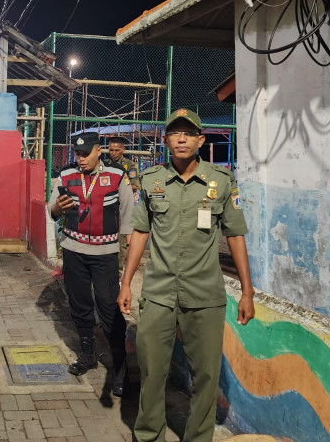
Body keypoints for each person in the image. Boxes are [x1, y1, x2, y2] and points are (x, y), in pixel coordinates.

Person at [118, 108, 255, 442]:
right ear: (165, 140)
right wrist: (125, 282)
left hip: (205, 294)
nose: (181, 138)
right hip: (159, 292)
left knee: (206, 375)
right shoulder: (150, 181)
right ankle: (149, 434)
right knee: (151, 370)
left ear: (200, 140)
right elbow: (139, 232)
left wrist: (248, 292)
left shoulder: (220, 183)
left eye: (189, 133)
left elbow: (235, 235)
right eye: (175, 133)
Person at [49, 131, 133, 396]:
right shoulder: (65, 175)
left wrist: (128, 253)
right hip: (73, 250)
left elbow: (129, 217)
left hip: (105, 253)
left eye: (86, 153)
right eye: (77, 153)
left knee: (109, 308)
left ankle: (121, 368)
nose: (81, 158)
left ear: (100, 151)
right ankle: (87, 355)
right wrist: (58, 209)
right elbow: (51, 211)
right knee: (80, 304)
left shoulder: (118, 176)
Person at [106, 136, 141, 272]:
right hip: (107, 206)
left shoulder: (129, 166)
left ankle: (118, 270)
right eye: (111, 150)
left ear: (123, 150)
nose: (113, 153)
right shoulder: (104, 164)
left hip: (122, 207)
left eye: (116, 150)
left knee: (120, 240)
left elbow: (134, 186)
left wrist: (115, 187)